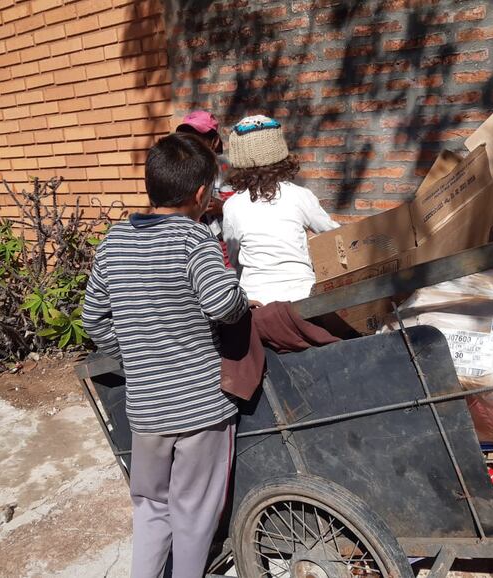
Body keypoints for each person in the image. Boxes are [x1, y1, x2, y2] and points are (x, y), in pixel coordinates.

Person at [82, 133, 252, 578]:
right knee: (193, 514)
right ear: (201, 194)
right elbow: (222, 304)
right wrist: (240, 295)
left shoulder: (113, 243)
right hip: (201, 406)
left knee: (151, 506)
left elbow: (93, 319)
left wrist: (134, 356)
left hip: (147, 410)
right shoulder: (193, 240)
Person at [222, 115, 340, 304]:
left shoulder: (231, 206)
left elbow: (234, 258)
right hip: (302, 299)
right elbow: (335, 235)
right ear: (280, 153)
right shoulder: (300, 196)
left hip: (256, 304)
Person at [175, 111, 234, 255]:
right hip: (191, 243)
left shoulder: (229, 168)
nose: (192, 145)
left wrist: (222, 207)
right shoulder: (178, 168)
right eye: (187, 139)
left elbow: (249, 208)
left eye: (199, 139)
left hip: (225, 243)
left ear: (215, 142)